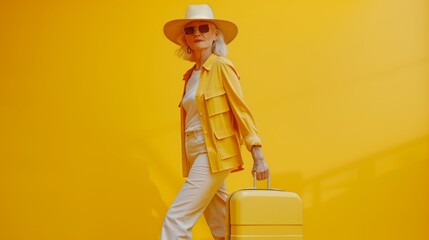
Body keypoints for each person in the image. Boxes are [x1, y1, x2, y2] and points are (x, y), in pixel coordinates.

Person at [161, 4, 269, 240]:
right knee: (221, 228)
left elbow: (241, 110)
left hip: (214, 153)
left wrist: (257, 155)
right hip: (195, 152)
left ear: (215, 34)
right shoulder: (190, 76)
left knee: (176, 221)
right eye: (190, 30)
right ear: (185, 40)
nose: (197, 33)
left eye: (203, 28)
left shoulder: (221, 66)